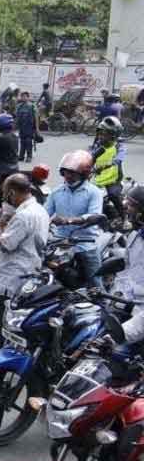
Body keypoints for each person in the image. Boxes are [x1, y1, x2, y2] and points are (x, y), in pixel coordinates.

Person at [0, 174, 50, 355]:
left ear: (12, 192)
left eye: (6, 194)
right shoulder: (39, 210)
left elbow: (6, 244)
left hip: (12, 280)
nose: (5, 198)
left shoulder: (24, 216)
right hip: (29, 274)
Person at [45, 150, 105, 287]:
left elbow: (93, 215)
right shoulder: (56, 192)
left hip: (85, 243)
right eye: (66, 171)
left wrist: (68, 220)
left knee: (95, 283)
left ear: (83, 174)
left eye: (72, 172)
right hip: (60, 243)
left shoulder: (94, 192)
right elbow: (44, 213)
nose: (68, 175)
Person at [106, 186, 144, 359]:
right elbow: (131, 266)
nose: (126, 208)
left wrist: (122, 334)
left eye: (132, 206)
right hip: (126, 301)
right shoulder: (136, 235)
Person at [91, 116, 125, 224]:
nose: (100, 136)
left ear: (113, 136)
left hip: (113, 180)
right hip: (98, 179)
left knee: (113, 195)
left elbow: (118, 160)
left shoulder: (119, 146)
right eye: (99, 133)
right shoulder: (97, 145)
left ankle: (125, 218)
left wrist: (106, 166)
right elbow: (90, 157)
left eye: (104, 134)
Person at [15, 91, 38, 162]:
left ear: (28, 97)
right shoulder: (19, 106)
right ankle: (21, 156)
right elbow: (17, 117)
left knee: (28, 141)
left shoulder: (32, 106)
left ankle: (29, 156)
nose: (23, 98)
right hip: (21, 126)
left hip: (30, 127)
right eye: (22, 96)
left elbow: (36, 117)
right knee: (22, 141)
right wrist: (15, 126)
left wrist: (37, 128)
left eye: (25, 96)